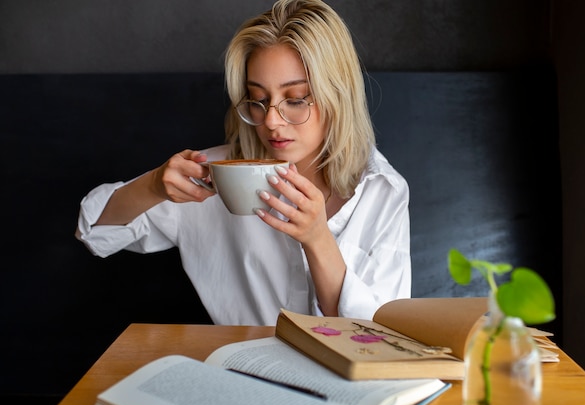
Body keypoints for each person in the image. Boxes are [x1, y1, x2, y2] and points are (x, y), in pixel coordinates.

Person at [75, 0, 411, 326]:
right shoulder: (216, 174)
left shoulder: (381, 190)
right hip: (241, 371)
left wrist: (317, 238)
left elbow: (376, 335)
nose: (272, 121)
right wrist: (152, 186)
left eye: (294, 100)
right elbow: (97, 233)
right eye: (258, 100)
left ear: (338, 95)